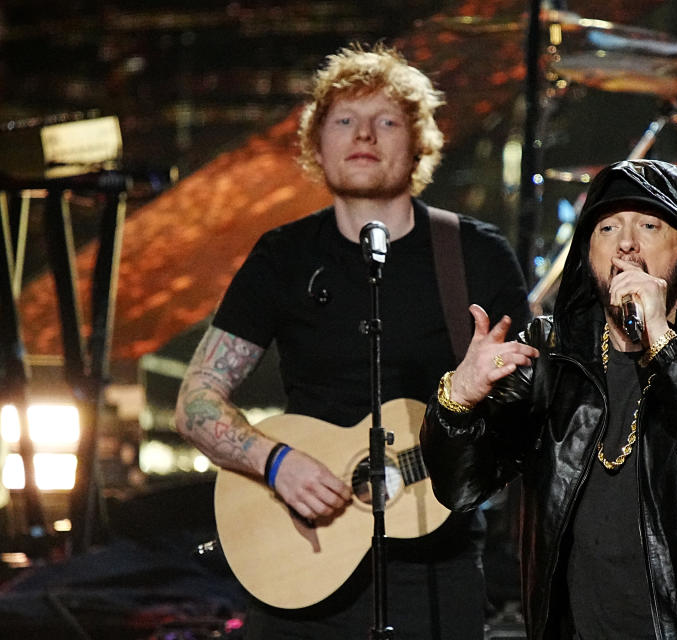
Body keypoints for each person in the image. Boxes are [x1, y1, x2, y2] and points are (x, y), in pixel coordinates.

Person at [174, 43, 530, 639]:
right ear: (317, 146)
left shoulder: (474, 256)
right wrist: (275, 460)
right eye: (344, 120)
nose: (364, 133)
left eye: (387, 120)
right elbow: (196, 401)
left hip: (435, 573)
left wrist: (476, 400)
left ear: (419, 143)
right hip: (298, 559)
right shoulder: (282, 257)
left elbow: (527, 408)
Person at [421, 159, 677, 639]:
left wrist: (666, 344)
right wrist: (458, 399)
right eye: (607, 228)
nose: (626, 243)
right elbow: (462, 489)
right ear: (588, 254)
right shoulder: (552, 351)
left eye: (649, 225)